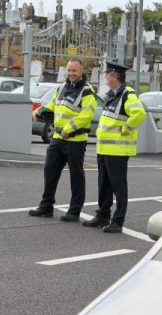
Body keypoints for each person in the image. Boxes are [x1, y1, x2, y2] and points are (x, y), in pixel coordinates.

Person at [28, 58, 98, 221]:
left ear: (81, 72)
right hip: (58, 138)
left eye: (74, 70)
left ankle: (74, 211)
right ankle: (46, 206)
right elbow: (53, 105)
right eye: (69, 70)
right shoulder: (62, 87)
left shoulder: (87, 91)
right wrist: (40, 111)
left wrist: (69, 128)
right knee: (50, 171)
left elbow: (87, 115)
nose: (71, 73)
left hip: (75, 140)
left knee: (76, 176)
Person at [82, 61, 146, 233]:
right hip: (104, 149)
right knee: (104, 184)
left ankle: (118, 221)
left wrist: (127, 128)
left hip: (117, 150)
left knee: (118, 186)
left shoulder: (127, 94)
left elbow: (139, 113)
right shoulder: (112, 94)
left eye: (107, 74)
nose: (105, 77)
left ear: (114, 76)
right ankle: (102, 215)